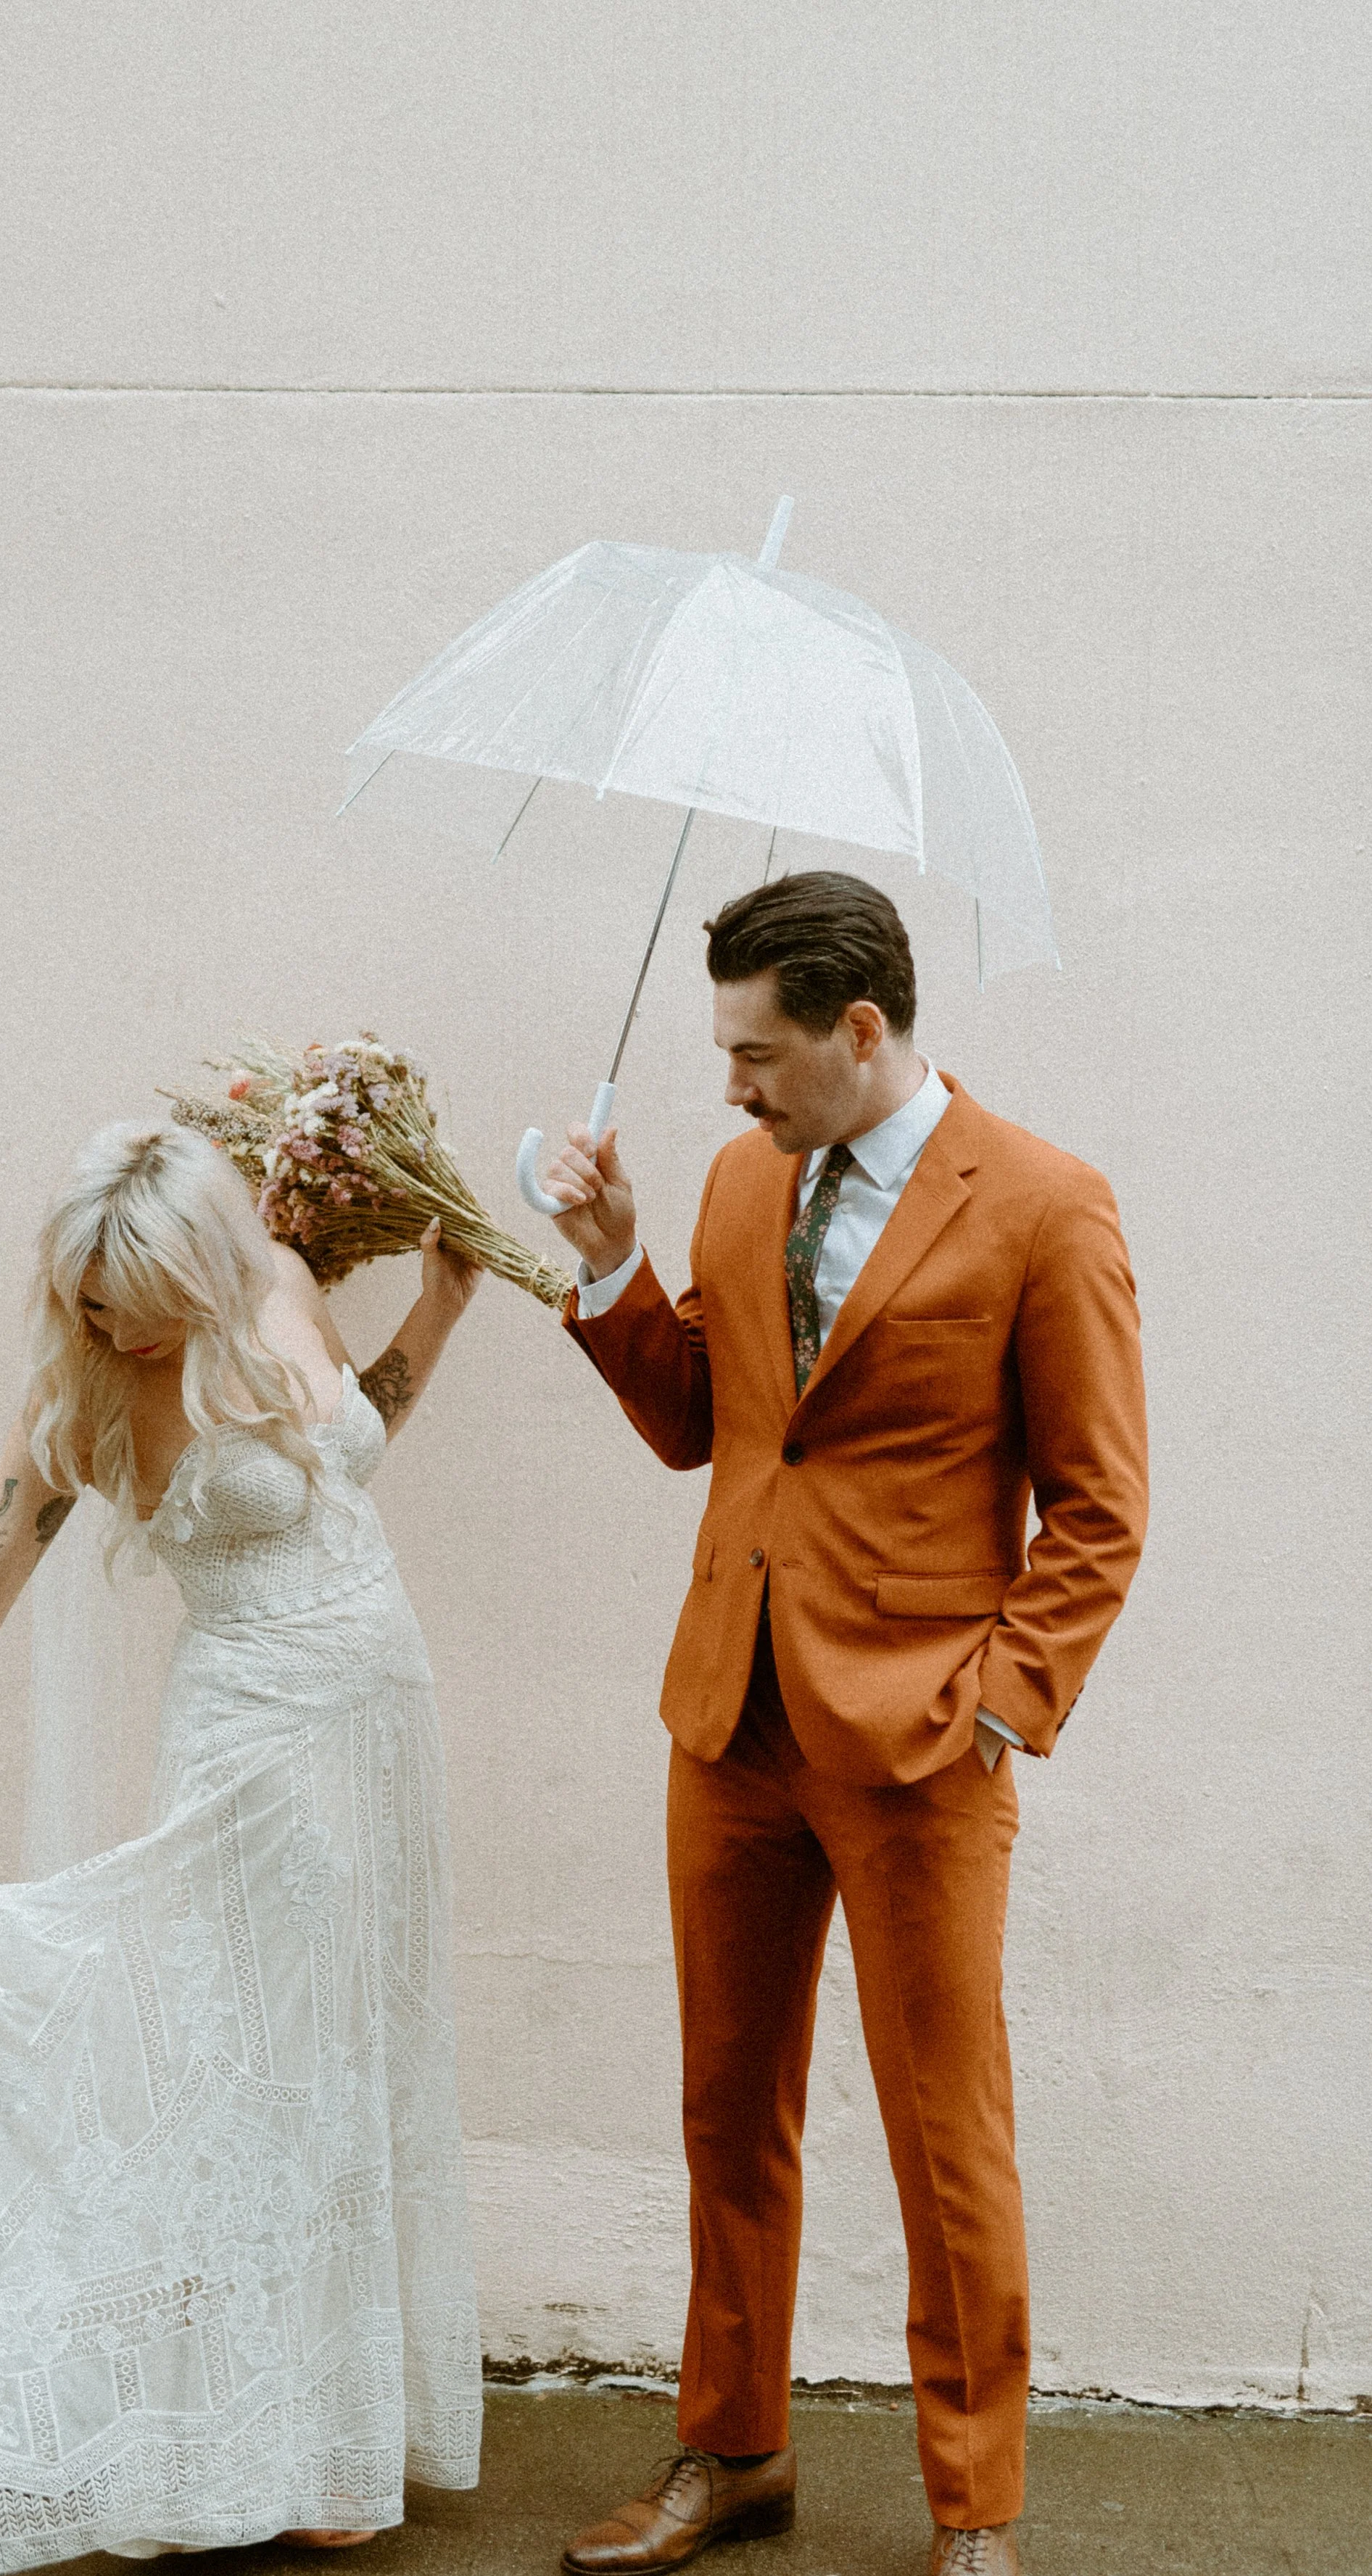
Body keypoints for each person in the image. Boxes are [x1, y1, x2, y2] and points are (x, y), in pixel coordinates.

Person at [0, 1121, 484, 2576]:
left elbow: (351, 1444)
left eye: (118, 1289)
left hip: (381, 1720)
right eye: (75, 1289)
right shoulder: (84, 1396)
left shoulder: (284, 1295)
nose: (94, 1316)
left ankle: (325, 2428)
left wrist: (438, 1306)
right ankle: (234, 2434)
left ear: (203, 1263)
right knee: (250, 2077)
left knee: (352, 2058)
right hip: (254, 1752)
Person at [539, 874, 1147, 2576]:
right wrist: (609, 1275)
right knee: (727, 2106)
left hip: (917, 1743)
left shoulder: (1043, 1204)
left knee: (944, 2133)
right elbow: (706, 1428)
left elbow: (1098, 1509)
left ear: (857, 1028)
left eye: (756, 1053)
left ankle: (974, 2513)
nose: (731, 1087)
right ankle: (732, 2449)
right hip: (725, 1712)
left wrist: (1001, 1709)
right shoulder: (743, 1181)